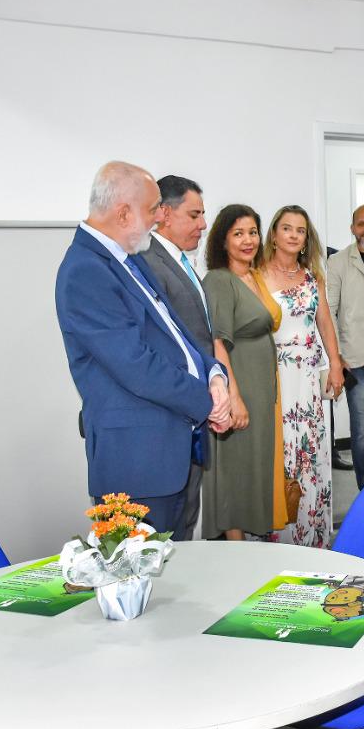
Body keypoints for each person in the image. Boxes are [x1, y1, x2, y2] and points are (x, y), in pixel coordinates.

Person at [55, 161, 230, 539]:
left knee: (177, 563)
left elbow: (177, 333)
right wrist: (205, 400)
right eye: (152, 210)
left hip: (169, 446)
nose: (157, 218)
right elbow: (135, 365)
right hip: (136, 461)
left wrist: (214, 373)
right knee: (139, 572)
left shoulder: (130, 258)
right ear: (123, 213)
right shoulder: (85, 270)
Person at [201, 205, 285, 541]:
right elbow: (217, 342)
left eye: (252, 232)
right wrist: (233, 397)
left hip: (261, 387)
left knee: (255, 465)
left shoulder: (254, 277)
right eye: (238, 234)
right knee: (235, 468)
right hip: (240, 383)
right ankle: (236, 548)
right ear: (223, 241)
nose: (248, 240)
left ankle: (252, 546)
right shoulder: (219, 280)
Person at [263, 205, 344, 548]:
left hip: (308, 379)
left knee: (310, 453)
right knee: (280, 453)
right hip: (274, 376)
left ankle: (311, 537)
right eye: (287, 228)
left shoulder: (313, 277)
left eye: (300, 230)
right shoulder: (257, 275)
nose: (294, 235)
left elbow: (324, 322)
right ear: (274, 234)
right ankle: (277, 538)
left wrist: (335, 363)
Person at [135, 175, 211, 540]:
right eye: (194, 215)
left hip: (191, 416)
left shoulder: (180, 261)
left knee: (185, 520)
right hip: (170, 419)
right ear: (164, 213)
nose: (203, 224)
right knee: (162, 532)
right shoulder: (148, 262)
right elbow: (159, 347)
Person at [326, 204, 364, 490]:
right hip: (356, 359)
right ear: (352, 228)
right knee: (363, 433)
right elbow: (329, 311)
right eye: (361, 224)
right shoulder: (337, 262)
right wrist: (336, 356)